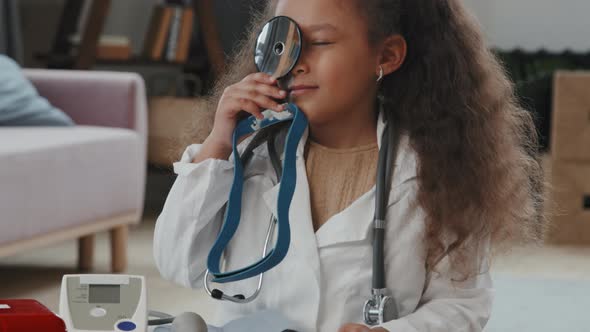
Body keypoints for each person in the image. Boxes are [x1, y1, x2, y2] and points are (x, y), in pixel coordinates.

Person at [153, 0, 547, 331]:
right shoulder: (246, 154)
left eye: (320, 42)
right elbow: (175, 262)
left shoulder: (439, 170)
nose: (295, 62)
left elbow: (463, 305)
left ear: (386, 56)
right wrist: (218, 143)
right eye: (284, 42)